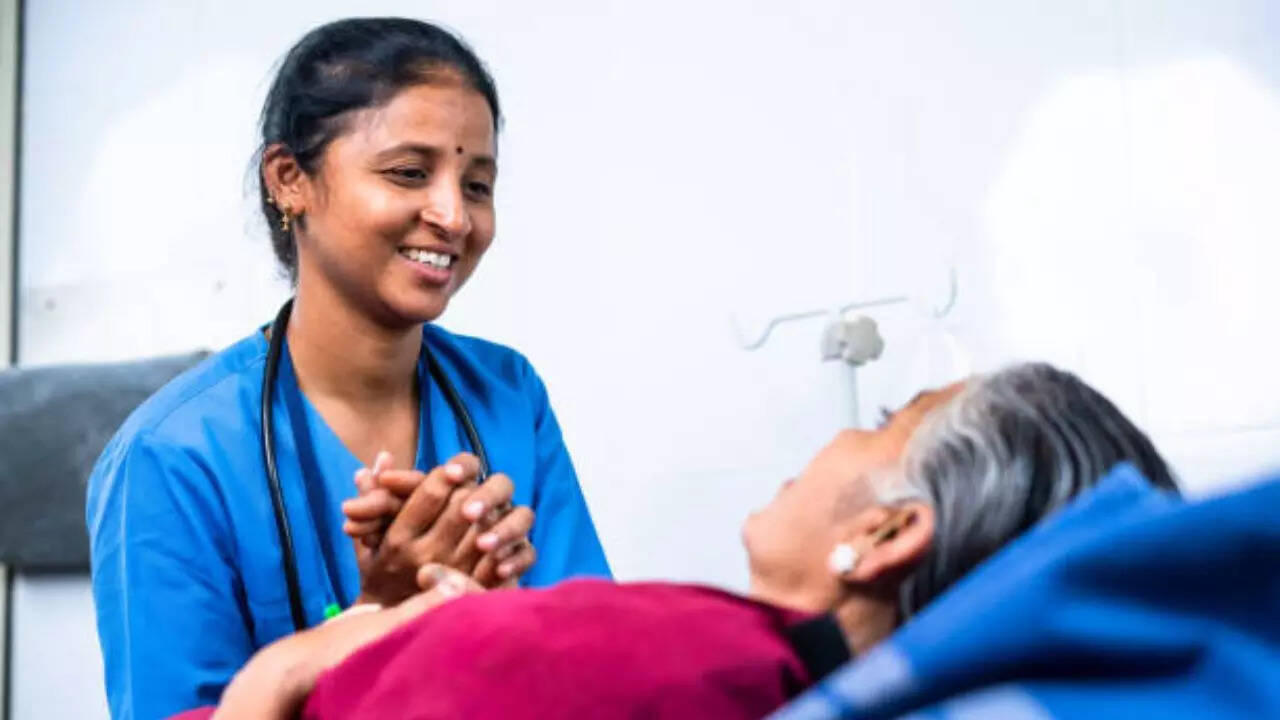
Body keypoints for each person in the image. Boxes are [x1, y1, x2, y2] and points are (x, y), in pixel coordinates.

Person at [86, 17, 610, 720]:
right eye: (409, 173)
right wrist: (377, 621)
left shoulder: (508, 395)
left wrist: (502, 614)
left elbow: (595, 668)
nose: (454, 216)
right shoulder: (170, 458)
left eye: (478, 184)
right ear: (289, 180)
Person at [180, 362, 1177, 719]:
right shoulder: (731, 665)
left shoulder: (671, 659)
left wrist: (291, 664)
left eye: (883, 422)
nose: (450, 214)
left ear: (882, 534)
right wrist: (397, 617)